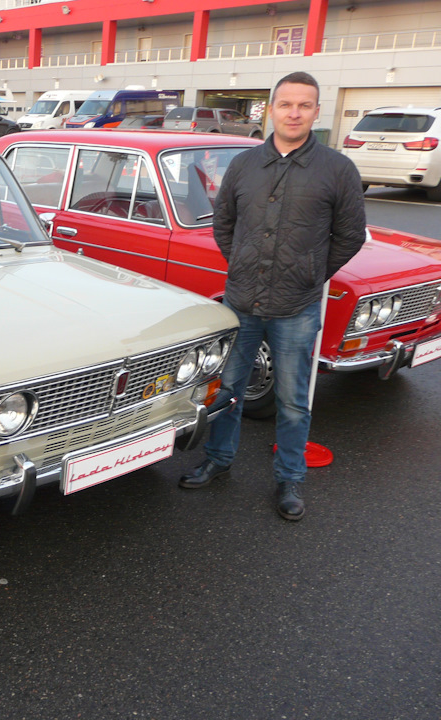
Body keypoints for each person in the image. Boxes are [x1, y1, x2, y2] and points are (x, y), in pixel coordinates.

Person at [178, 71, 366, 521]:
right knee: (227, 390)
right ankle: (218, 461)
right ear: (272, 110)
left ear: (316, 112)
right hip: (240, 301)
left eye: (304, 105)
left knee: (293, 400)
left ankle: (289, 478)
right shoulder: (244, 166)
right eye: (286, 104)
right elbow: (224, 224)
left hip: (297, 306)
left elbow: (350, 235)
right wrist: (241, 261)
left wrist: (310, 274)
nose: (295, 112)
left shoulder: (338, 169)